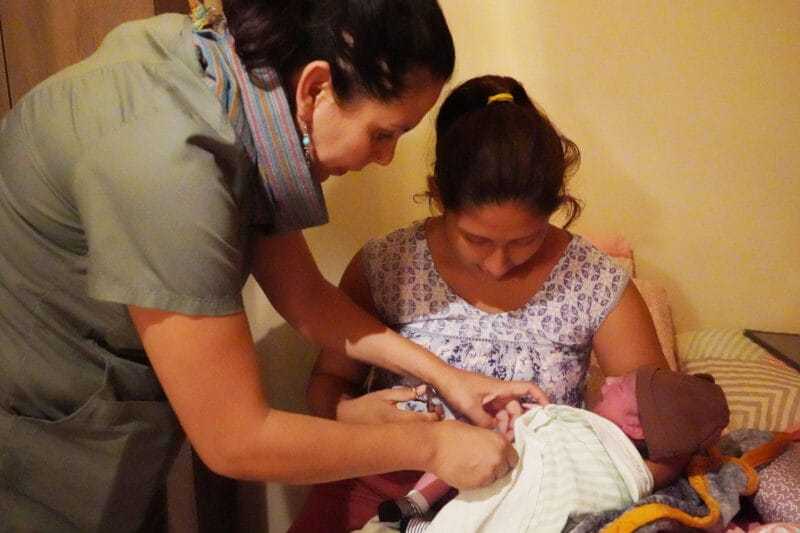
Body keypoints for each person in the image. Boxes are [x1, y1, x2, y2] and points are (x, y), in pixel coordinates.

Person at [0, 3, 547, 531]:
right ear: (314, 89)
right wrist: (434, 446)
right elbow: (236, 440)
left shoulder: (225, 80)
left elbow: (306, 298)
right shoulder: (169, 167)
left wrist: (450, 380)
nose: (384, 158)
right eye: (383, 133)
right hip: (36, 435)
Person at [291, 74, 677, 532]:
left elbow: (661, 427)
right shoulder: (387, 265)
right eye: (475, 239)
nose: (497, 264)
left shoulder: (596, 283)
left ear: (557, 207)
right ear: (438, 197)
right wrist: (346, 412)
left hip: (529, 503)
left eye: (525, 241)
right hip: (384, 491)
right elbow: (327, 383)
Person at [375, 365, 730, 532]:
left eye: (622, 387)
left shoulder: (586, 434)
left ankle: (417, 515)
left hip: (525, 496)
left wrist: (524, 423)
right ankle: (418, 511)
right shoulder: (647, 465)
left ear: (637, 426)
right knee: (465, 446)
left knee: (470, 445)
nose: (607, 380)